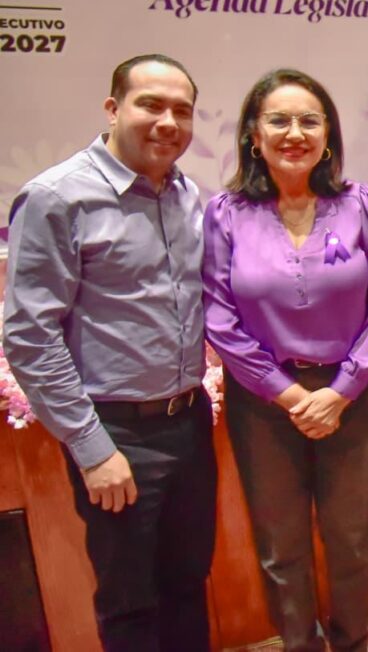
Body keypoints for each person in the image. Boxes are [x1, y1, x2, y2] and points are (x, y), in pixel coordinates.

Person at [2, 54, 216, 652]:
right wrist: (93, 450)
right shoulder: (56, 197)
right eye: (151, 104)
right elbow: (29, 334)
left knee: (188, 584)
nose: (167, 121)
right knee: (129, 603)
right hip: (116, 433)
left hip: (190, 421)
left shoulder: (186, 195)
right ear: (113, 107)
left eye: (182, 109)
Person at [202, 68, 368, 652]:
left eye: (309, 120)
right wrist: (285, 392)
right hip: (264, 405)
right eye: (279, 120)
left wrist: (342, 389)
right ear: (253, 136)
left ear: (328, 135)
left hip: (350, 397)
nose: (295, 132)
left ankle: (351, 642)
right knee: (280, 544)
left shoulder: (359, 203)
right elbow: (217, 314)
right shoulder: (226, 212)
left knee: (351, 539)